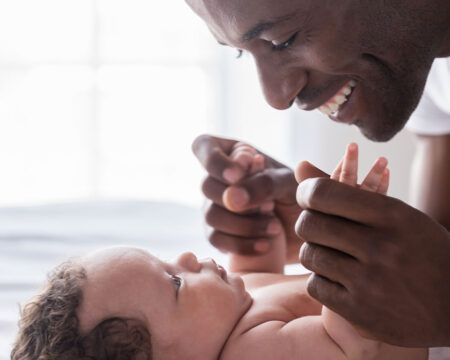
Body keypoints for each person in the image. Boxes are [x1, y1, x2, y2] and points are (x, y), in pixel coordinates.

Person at [185, 0, 450, 353]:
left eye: (282, 39)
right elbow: (432, 260)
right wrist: (342, 236)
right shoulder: (430, 56)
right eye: (242, 54)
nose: (276, 97)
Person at [12, 146, 426, 360]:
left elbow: (259, 274)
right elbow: (352, 346)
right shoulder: (252, 355)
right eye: (174, 282)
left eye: (166, 259)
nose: (189, 259)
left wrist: (258, 219)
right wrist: (342, 235)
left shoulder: (233, 318)